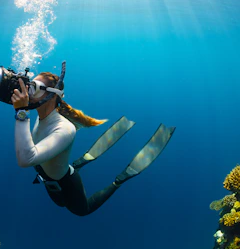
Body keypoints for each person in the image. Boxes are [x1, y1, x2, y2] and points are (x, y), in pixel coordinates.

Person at [11, 71, 175, 216]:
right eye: (28, 85)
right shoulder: (41, 118)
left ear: (52, 95)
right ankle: (80, 162)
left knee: (82, 211)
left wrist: (22, 112)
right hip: (46, 176)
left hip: (66, 182)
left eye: (34, 87)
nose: (28, 92)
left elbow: (26, 159)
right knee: (60, 203)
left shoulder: (65, 129)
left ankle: (119, 180)